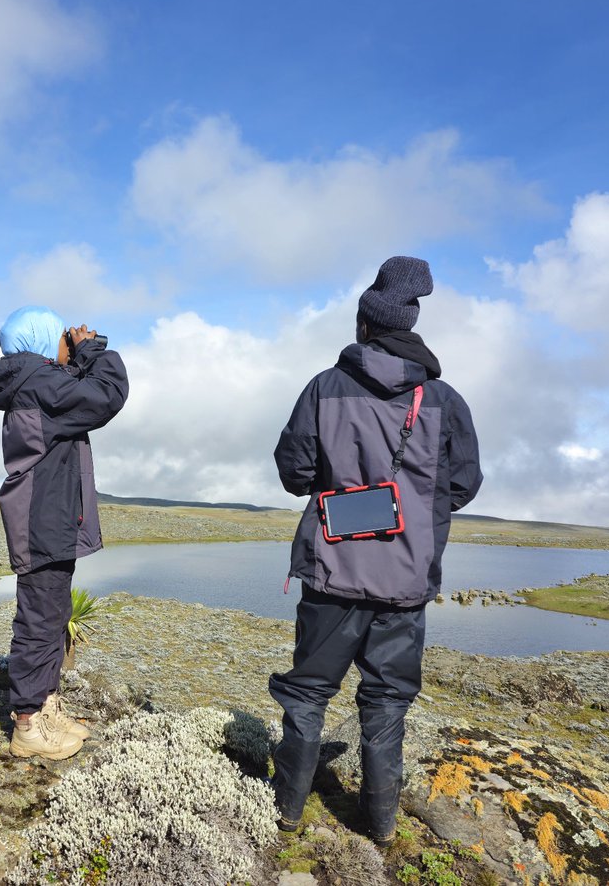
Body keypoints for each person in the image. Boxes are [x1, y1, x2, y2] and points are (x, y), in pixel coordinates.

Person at [268, 256, 482, 844]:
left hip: (332, 574)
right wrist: (412, 510)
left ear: (364, 325)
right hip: (407, 580)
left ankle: (287, 812)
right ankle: (382, 827)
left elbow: (294, 472)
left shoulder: (324, 388)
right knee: (387, 700)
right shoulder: (445, 400)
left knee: (309, 691)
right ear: (410, 328)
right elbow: (462, 487)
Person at [0, 306, 128, 760]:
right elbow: (106, 395)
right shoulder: (40, 383)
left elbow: (80, 396)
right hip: (42, 518)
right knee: (39, 620)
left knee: (51, 614)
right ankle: (27, 724)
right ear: (43, 341)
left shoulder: (36, 381)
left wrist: (77, 355)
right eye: (61, 335)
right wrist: (92, 349)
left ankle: (45, 708)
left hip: (50, 515)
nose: (69, 340)